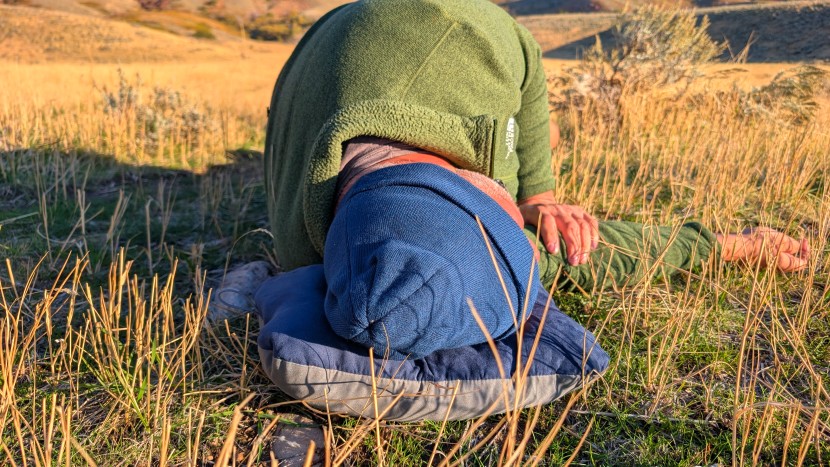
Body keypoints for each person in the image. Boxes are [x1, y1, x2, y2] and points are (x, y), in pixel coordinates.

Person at [258, 0, 810, 356]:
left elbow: (537, 210)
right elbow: (574, 250)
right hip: (333, 37)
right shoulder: (303, 248)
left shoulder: (488, 40)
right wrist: (725, 247)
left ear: (477, 182)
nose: (517, 223)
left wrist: (538, 200)